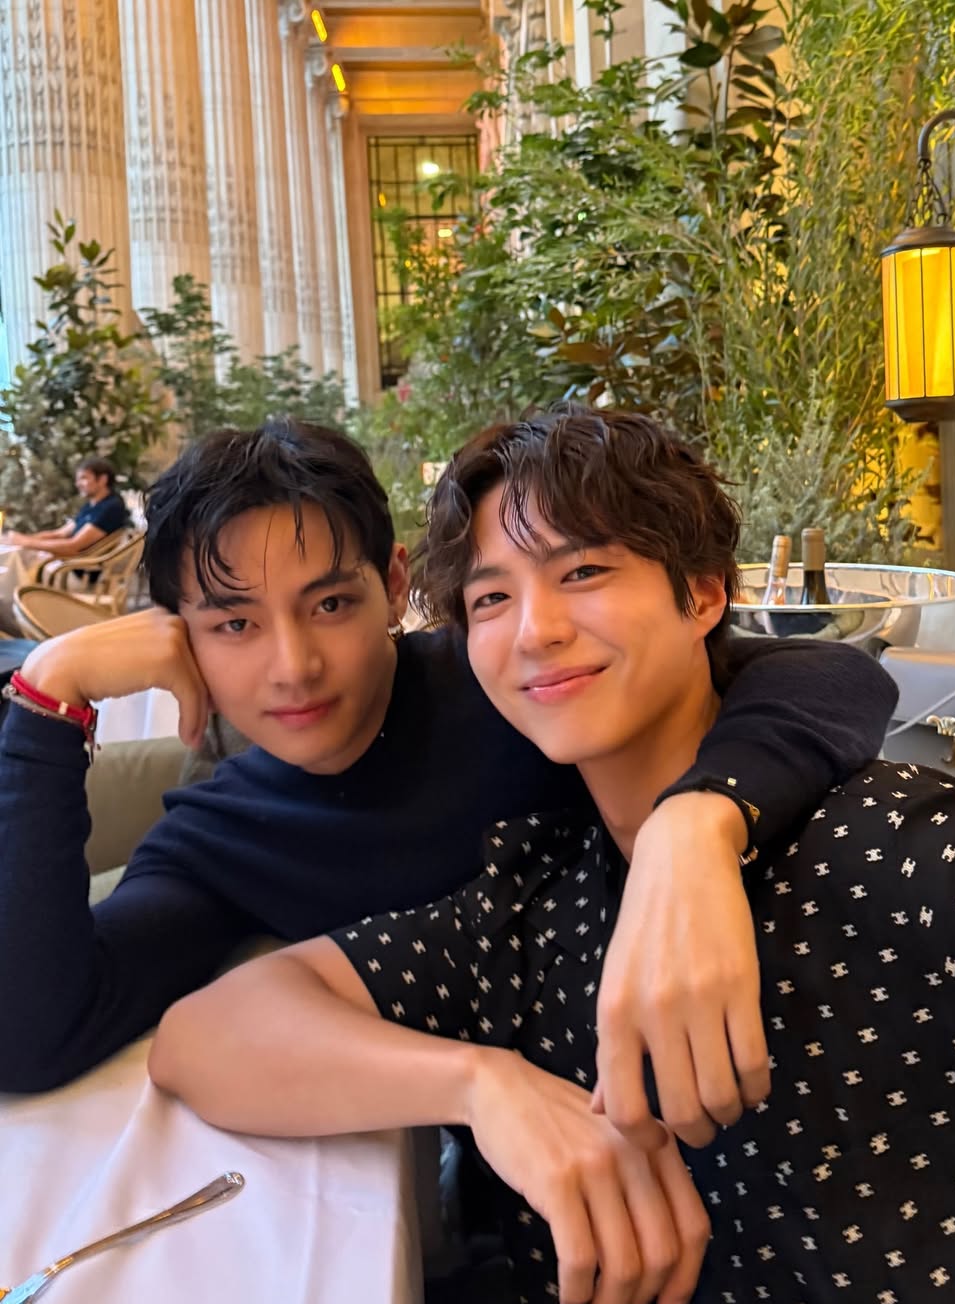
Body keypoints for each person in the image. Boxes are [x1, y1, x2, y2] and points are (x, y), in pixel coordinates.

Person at [151, 409, 955, 1304]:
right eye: (492, 598)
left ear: (705, 596)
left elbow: (840, 682)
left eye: (584, 572)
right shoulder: (544, 909)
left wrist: (696, 829)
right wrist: (487, 1087)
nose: (536, 629)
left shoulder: (912, 856)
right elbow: (207, 1037)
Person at [0, 417, 896, 1132]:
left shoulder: (513, 675)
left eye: (331, 604)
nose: (293, 668)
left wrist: (690, 826)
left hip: (795, 1063)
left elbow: (832, 674)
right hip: (526, 1164)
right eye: (235, 625)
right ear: (179, 637)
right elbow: (35, 1038)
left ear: (395, 586)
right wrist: (47, 702)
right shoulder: (221, 838)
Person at [3, 455, 129, 558]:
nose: (78, 484)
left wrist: (26, 542)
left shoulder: (111, 507)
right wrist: (22, 539)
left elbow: (73, 546)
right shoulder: (92, 505)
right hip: (67, 563)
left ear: (102, 479)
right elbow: (59, 534)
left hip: (77, 570)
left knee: (18, 562)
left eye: (83, 478)